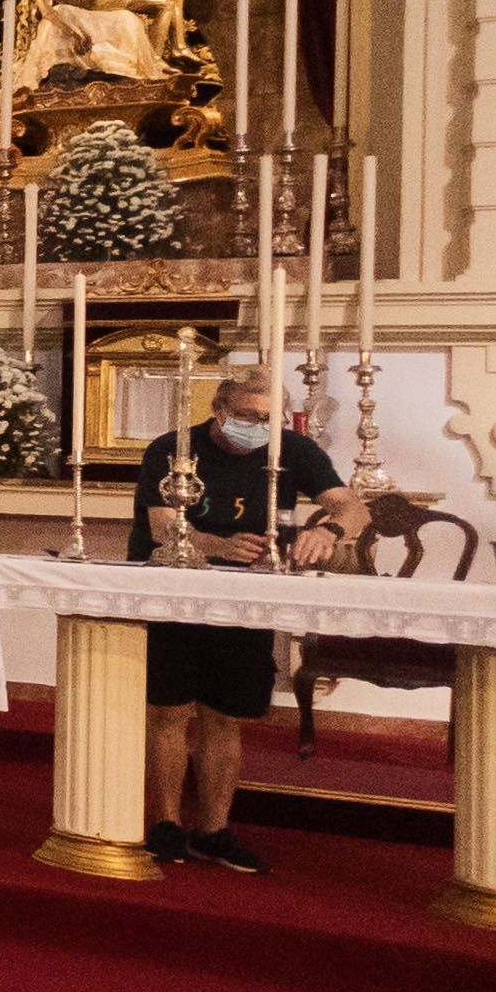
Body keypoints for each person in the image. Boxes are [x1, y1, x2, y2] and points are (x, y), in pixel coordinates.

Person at [126, 368, 363, 872]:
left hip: (247, 598)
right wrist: (218, 546)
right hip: (177, 588)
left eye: (267, 418)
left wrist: (331, 531)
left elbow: (350, 505)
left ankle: (212, 831)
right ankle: (166, 824)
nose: (258, 426)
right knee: (169, 711)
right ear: (219, 410)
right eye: (247, 416)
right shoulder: (172, 447)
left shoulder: (292, 450)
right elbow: (161, 524)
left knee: (224, 713)